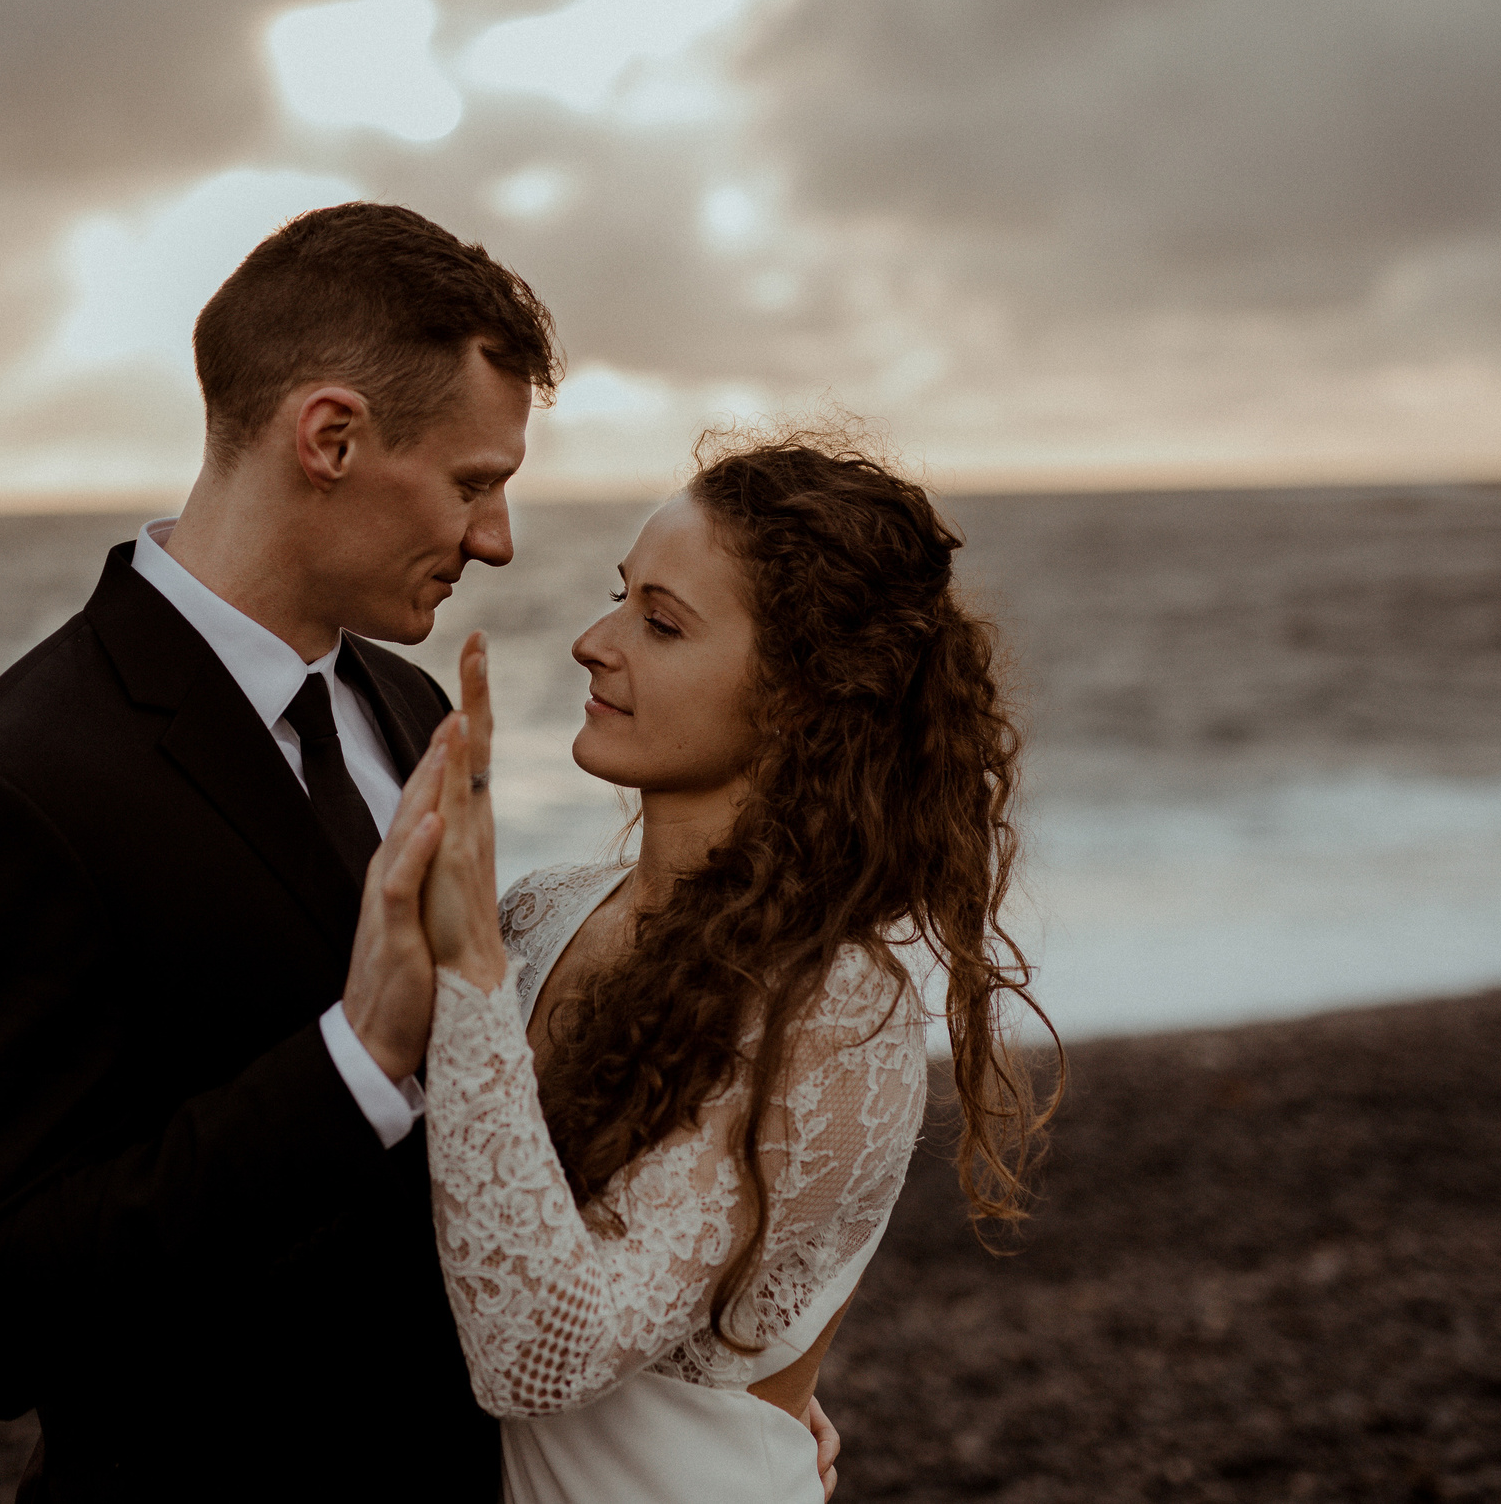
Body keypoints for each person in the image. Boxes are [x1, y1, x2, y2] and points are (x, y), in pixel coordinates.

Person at [0, 202, 561, 1501]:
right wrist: (356, 1060)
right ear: (332, 436)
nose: (497, 539)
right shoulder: (12, 789)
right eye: (475, 482)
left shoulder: (411, 711)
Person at [355, 432, 1056, 1503]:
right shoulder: (537, 916)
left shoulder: (835, 1008)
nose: (593, 642)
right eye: (617, 597)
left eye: (659, 621)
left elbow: (540, 1356)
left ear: (801, 698)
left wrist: (470, 971)